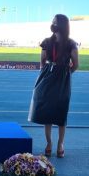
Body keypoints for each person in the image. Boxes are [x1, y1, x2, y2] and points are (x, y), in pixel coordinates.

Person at [28, 14, 79, 158]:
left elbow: (76, 64)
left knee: (61, 111)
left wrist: (65, 72)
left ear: (61, 25)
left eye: (55, 22)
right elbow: (42, 61)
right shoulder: (46, 42)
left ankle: (60, 144)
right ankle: (49, 143)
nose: (52, 24)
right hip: (49, 77)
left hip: (62, 79)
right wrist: (52, 72)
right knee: (47, 112)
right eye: (52, 22)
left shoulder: (71, 43)